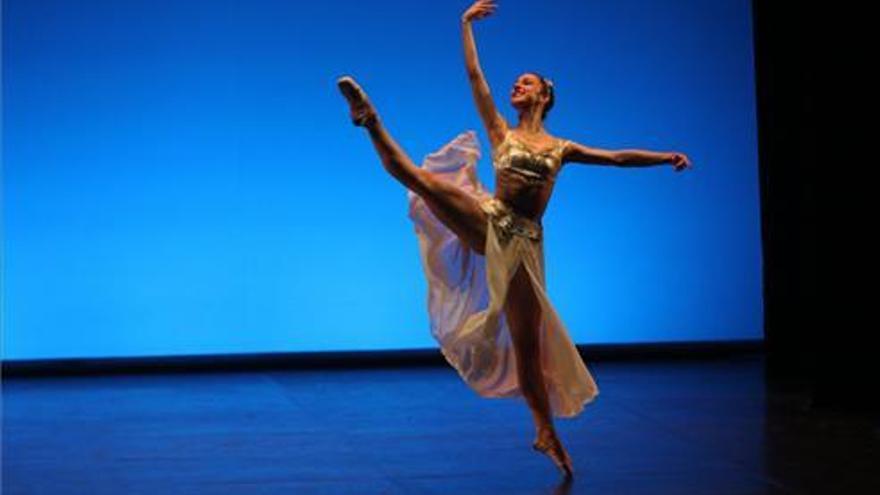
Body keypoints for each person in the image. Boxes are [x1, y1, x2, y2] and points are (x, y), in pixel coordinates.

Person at [337, 0, 692, 479]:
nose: (516, 85)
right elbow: (476, 79)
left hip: (526, 245)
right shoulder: (502, 135)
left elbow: (616, 157)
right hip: (491, 218)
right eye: (517, 81)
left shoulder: (560, 148)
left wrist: (662, 156)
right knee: (418, 178)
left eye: (527, 82)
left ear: (544, 95)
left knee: (529, 347)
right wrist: (465, 25)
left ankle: (545, 430)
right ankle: (370, 119)